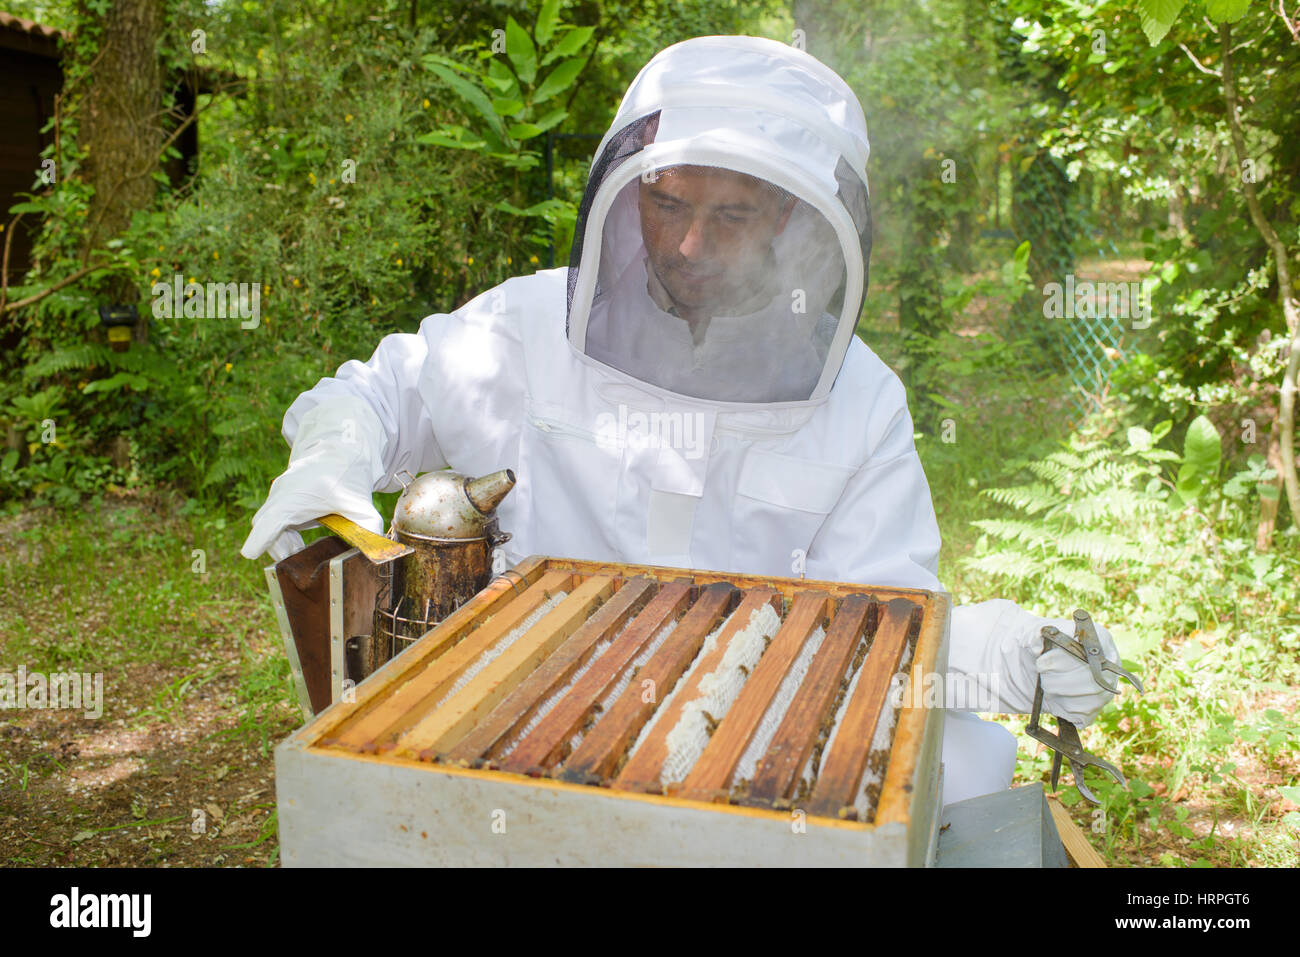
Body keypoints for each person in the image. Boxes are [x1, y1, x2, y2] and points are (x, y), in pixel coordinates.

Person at [240, 35, 1119, 808]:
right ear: (629, 193)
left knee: (957, 772)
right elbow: (378, 393)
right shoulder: (524, 328)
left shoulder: (859, 398)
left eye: (730, 213)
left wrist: (999, 649)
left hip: (747, 750)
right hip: (519, 730)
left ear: (788, 212)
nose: (691, 244)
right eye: (667, 204)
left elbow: (879, 624)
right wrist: (331, 451)